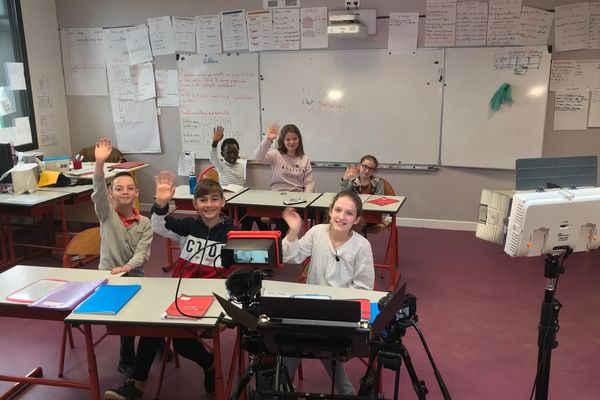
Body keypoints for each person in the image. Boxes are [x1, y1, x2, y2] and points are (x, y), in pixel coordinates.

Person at [104, 176, 238, 400]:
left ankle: (209, 363)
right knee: (152, 327)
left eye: (215, 199)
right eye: (203, 200)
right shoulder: (188, 226)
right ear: (195, 205)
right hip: (179, 293)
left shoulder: (232, 233)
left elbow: (249, 262)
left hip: (211, 299)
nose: (209, 205)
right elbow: (159, 225)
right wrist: (161, 204)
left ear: (223, 202)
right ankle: (136, 387)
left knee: (183, 345)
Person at [280, 190, 375, 395]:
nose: (341, 216)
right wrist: (293, 232)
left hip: (342, 311)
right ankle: (282, 386)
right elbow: (291, 257)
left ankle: (344, 391)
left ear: (357, 219)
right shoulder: (317, 232)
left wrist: (337, 306)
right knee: (291, 336)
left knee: (318, 339)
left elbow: (364, 289)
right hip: (312, 306)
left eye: (349, 213)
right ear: (330, 212)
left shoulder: (362, 246)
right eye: (338, 210)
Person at [92, 138, 153, 379]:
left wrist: (128, 266)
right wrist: (99, 163)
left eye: (130, 188)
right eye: (119, 188)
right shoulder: (106, 214)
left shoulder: (145, 223)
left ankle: (154, 342)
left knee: (150, 307)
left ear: (137, 193)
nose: (125, 192)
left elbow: (143, 253)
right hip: (109, 278)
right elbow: (97, 191)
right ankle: (126, 358)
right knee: (127, 313)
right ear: (111, 193)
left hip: (134, 275)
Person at [254, 123, 314, 235]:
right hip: (277, 199)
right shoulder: (276, 155)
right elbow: (258, 157)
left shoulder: (305, 159)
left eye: (294, 139)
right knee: (284, 219)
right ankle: (276, 244)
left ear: (299, 140)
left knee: (315, 213)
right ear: (283, 140)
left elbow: (309, 183)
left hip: (297, 201)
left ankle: (275, 243)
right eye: (288, 139)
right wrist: (268, 140)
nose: (291, 142)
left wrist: (303, 201)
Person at [210, 125, 268, 231]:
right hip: (227, 205)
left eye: (235, 152)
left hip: (240, 202)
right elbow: (213, 157)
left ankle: (266, 236)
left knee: (254, 213)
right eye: (228, 153)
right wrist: (215, 143)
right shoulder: (221, 166)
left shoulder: (240, 165)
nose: (232, 155)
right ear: (222, 154)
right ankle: (243, 237)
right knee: (249, 214)